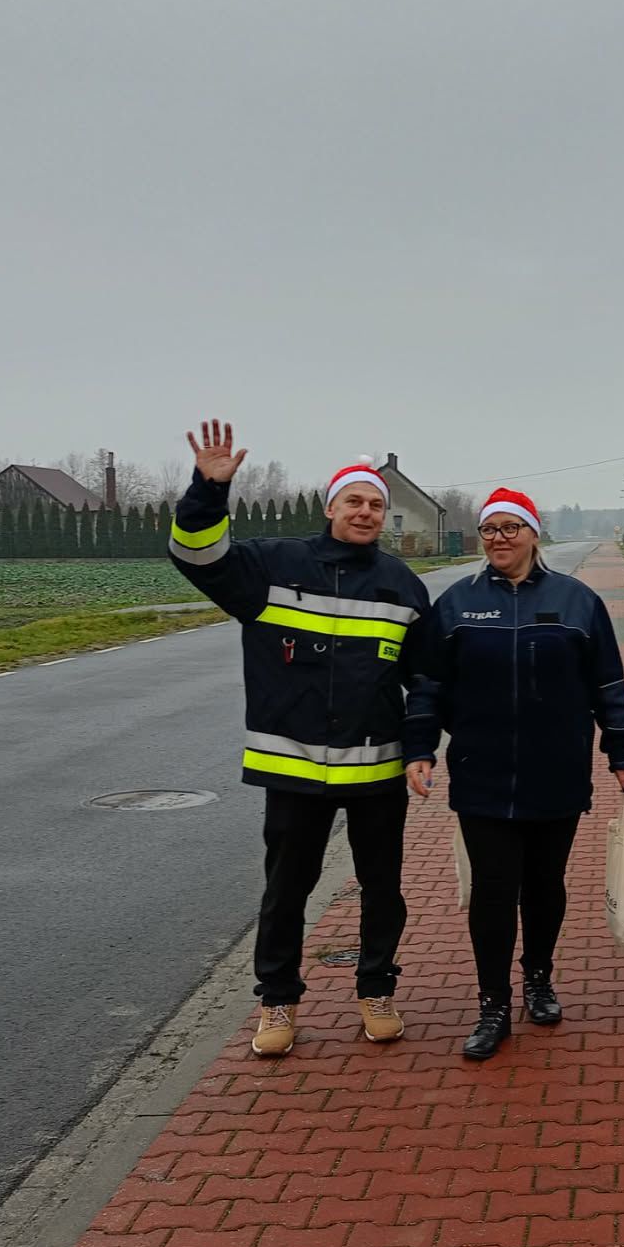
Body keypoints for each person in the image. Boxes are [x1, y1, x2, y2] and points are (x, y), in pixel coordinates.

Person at [169, 421, 434, 1058]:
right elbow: (197, 555)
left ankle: (377, 990)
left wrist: (422, 747)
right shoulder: (272, 566)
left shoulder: (402, 585)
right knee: (287, 891)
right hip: (293, 770)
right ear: (330, 508)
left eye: (375, 504)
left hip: (376, 771)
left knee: (382, 889)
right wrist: (209, 489)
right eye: (354, 501)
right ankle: (278, 1001)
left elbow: (427, 679)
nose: (365, 512)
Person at [405, 489, 624, 1059]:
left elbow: (608, 684)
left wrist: (622, 751)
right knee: (492, 890)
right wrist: (420, 747)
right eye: (490, 529)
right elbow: (429, 685)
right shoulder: (458, 603)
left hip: (556, 769)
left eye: (511, 528)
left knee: (544, 884)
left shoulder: (577, 601)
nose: (499, 539)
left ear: (535, 533)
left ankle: (539, 979)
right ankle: (493, 1004)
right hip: (481, 771)